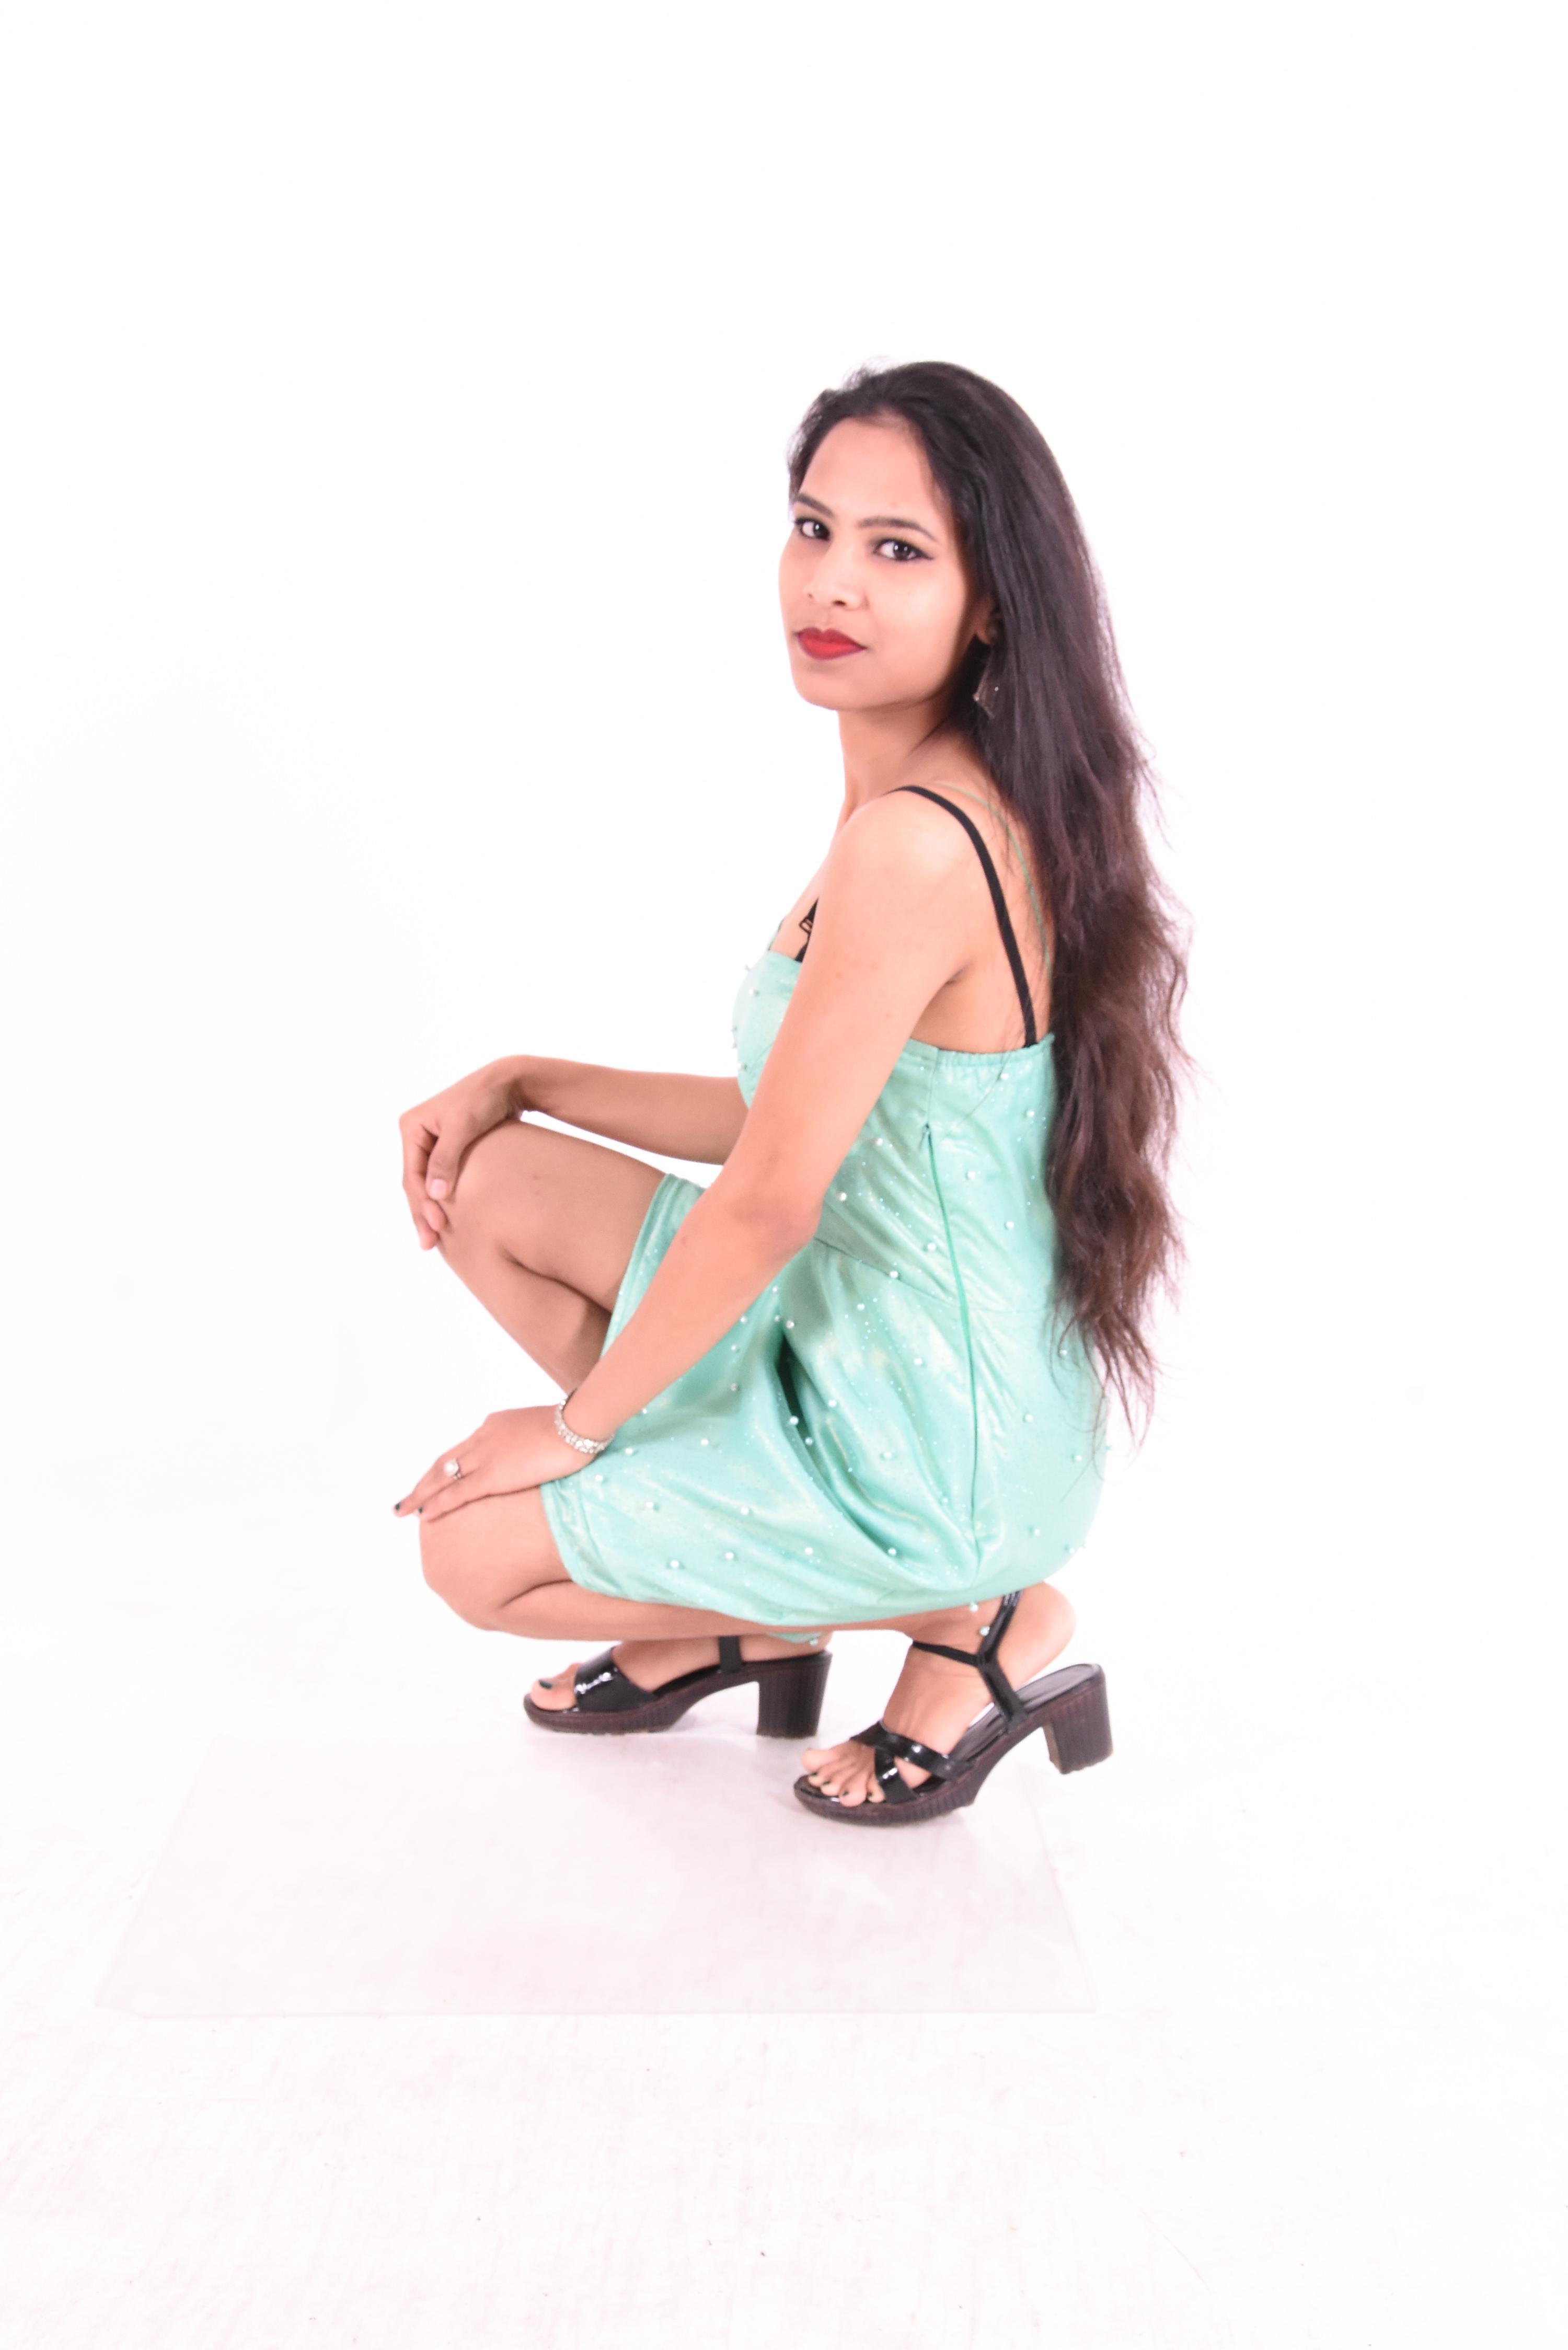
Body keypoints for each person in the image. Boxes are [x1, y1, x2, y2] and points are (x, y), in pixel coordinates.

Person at [392, 360, 1188, 1823]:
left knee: (471, 1560)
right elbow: (802, 1121)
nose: (833, 582)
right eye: (815, 528)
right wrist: (526, 1081)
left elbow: (768, 1202)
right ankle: (748, 1608)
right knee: (491, 1176)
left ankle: (972, 1621)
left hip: (931, 1448)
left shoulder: (919, 844)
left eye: (899, 550)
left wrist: (572, 1435)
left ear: (991, 603)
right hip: (863, 1344)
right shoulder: (910, 793)